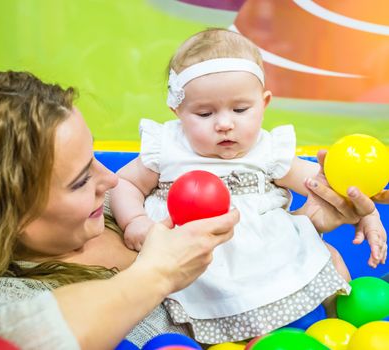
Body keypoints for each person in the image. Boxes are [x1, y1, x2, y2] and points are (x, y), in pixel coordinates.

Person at [0, 70, 380, 350]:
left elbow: (234, 281)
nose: (110, 179)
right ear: (6, 218)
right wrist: (156, 274)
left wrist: (305, 223)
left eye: (94, 157)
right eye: (80, 180)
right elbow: (19, 339)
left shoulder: (124, 219)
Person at [109, 28, 387, 344]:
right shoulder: (166, 149)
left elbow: (329, 187)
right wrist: (135, 221)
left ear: (264, 102)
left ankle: (338, 323)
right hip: (204, 261)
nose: (225, 123)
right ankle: (254, 339)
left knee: (327, 256)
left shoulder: (267, 149)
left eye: (241, 110)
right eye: (204, 113)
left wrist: (367, 214)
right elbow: (125, 183)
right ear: (178, 111)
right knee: (232, 311)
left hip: (267, 247)